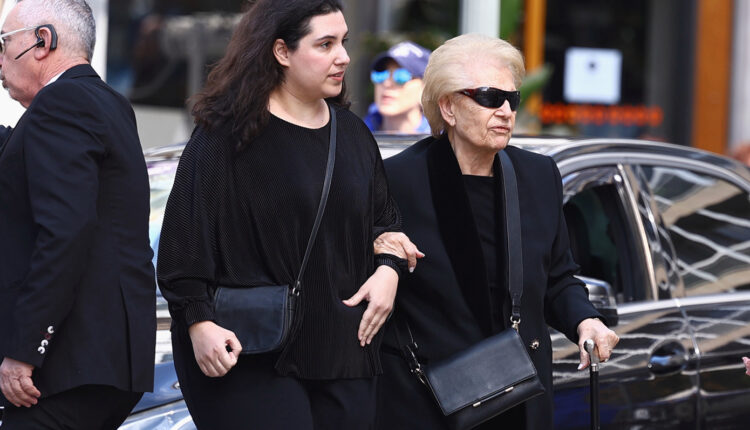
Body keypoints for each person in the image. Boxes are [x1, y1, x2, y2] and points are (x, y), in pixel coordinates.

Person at [156, 1, 418, 428]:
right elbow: (182, 247)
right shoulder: (227, 136)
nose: (343, 57)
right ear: (281, 51)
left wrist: (389, 270)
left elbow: (385, 223)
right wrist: (199, 322)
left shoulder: (353, 134)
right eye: (325, 44)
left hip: (344, 352)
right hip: (250, 353)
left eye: (344, 42)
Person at [374, 34, 619, 429]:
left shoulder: (537, 176)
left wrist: (584, 320)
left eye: (512, 99)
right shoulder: (396, 180)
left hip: (518, 396)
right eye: (490, 97)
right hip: (427, 399)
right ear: (448, 107)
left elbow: (558, 277)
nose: (505, 111)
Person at [0, 0, 156, 428]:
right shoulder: (107, 102)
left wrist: (25, 348)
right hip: (105, 361)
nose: (0, 60)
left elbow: (65, 231)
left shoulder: (60, 103)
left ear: (42, 41)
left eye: (4, 43)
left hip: (66, 365)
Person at [363, 41, 431, 134]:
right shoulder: (355, 134)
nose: (386, 83)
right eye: (381, 75)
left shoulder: (442, 140)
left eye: (401, 76)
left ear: (425, 90)